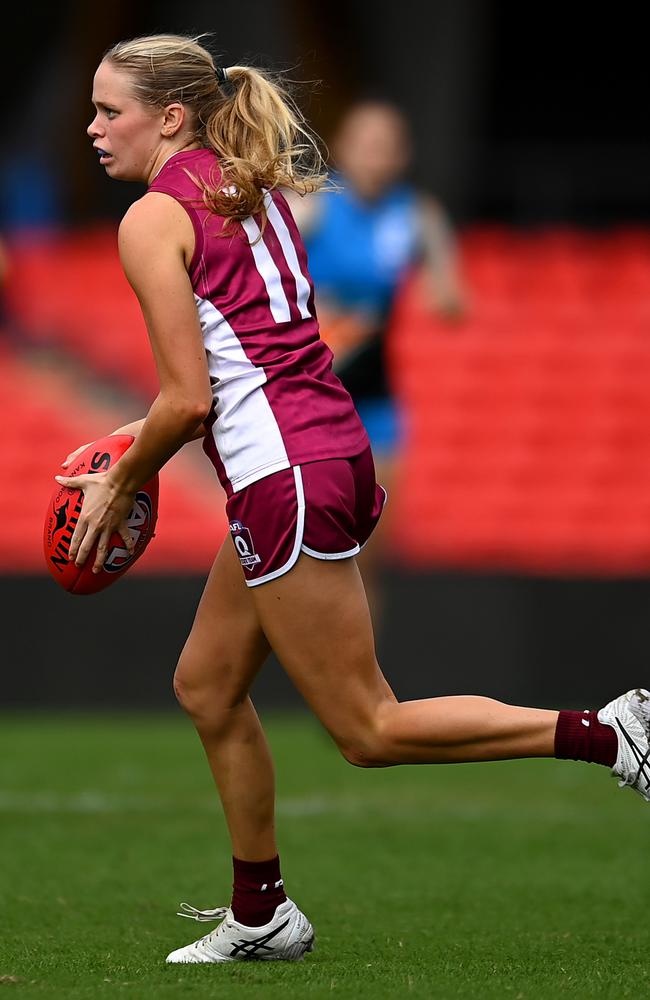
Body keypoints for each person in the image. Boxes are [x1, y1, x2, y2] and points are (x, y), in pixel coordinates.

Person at [56, 34, 650, 966]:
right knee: (207, 688)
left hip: (285, 474)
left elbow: (189, 399)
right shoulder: (243, 182)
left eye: (108, 110)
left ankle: (608, 734)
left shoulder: (153, 219)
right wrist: (128, 452)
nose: (91, 129)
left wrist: (121, 481)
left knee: (368, 728)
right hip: (324, 452)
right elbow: (232, 366)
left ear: (170, 117)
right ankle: (262, 915)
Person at [287, 101, 465, 621]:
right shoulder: (316, 204)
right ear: (343, 147)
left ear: (402, 155)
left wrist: (441, 285)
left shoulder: (416, 215)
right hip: (311, 398)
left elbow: (452, 300)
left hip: (376, 402)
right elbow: (262, 271)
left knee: (370, 555)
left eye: (387, 146)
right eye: (367, 144)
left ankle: (364, 693)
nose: (376, 156)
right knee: (305, 550)